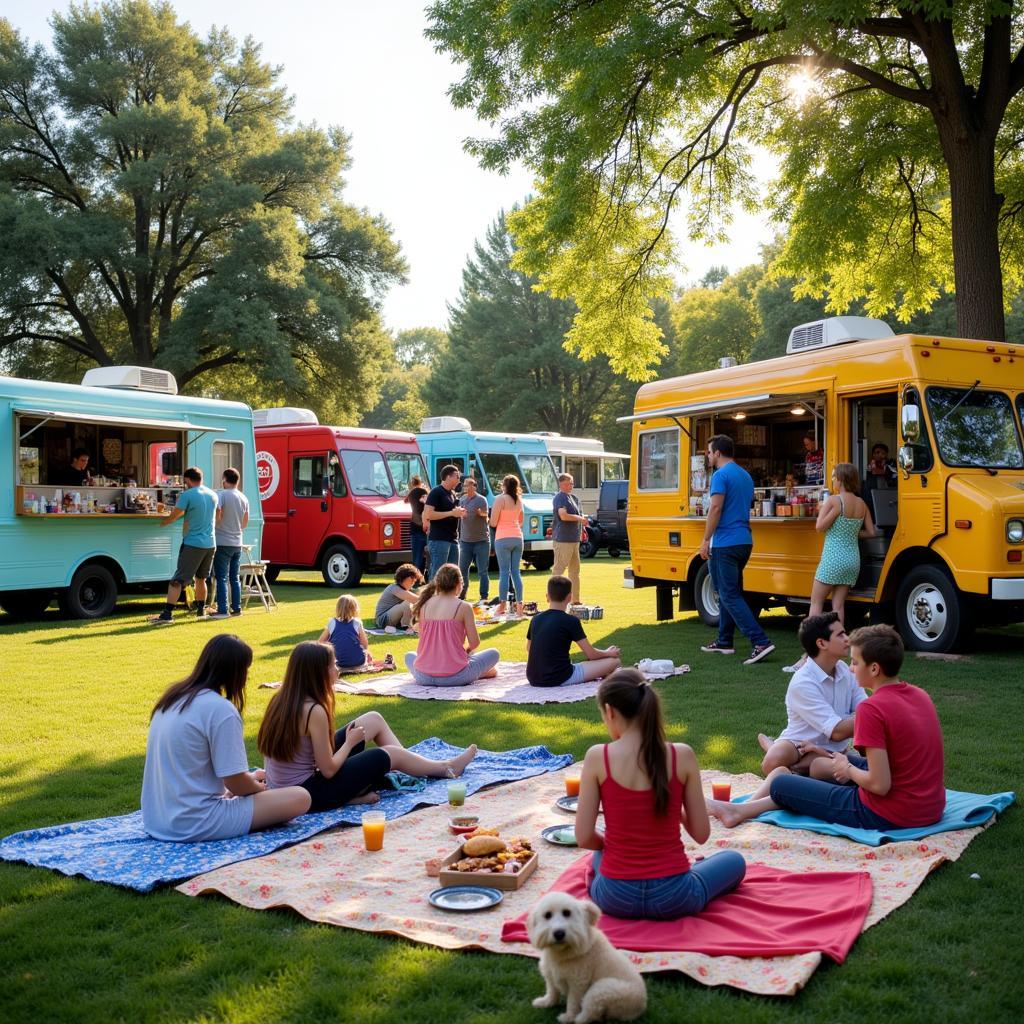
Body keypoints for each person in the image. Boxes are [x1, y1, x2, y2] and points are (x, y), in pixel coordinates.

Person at [709, 625, 946, 832]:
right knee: (819, 767)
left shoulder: (872, 709)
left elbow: (879, 785)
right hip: (930, 807)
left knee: (782, 783)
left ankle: (737, 810)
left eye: (855, 662)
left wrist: (849, 770)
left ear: (874, 669)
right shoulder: (919, 695)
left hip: (888, 813)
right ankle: (739, 810)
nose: (851, 668)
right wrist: (841, 762)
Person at [574, 669, 746, 920]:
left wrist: (613, 846)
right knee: (733, 860)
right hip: (675, 897)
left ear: (610, 711)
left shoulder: (597, 757)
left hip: (615, 898)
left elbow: (583, 837)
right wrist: (677, 809)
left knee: (600, 851)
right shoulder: (682, 755)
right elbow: (701, 834)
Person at [259, 641, 479, 812]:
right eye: (333, 665)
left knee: (372, 719)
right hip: (310, 792)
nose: (337, 669)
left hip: (289, 785)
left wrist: (347, 742)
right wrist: (350, 743)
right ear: (317, 673)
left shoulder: (282, 698)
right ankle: (446, 768)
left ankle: (413, 767)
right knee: (388, 754)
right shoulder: (314, 711)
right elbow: (327, 771)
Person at [141, 634, 311, 841]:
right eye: (245, 670)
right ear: (234, 672)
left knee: (253, 779)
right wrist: (260, 788)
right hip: (195, 822)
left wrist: (247, 780)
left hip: (157, 819)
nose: (247, 677)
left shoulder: (173, 699)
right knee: (300, 797)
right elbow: (235, 783)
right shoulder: (221, 710)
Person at [757, 613, 867, 776]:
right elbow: (837, 732)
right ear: (821, 643)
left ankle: (779, 751)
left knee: (815, 765)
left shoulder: (844, 669)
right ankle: (777, 749)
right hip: (798, 743)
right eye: (840, 634)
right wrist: (880, 714)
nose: (847, 639)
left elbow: (864, 707)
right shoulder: (803, 682)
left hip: (833, 749)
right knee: (772, 762)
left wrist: (871, 714)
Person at [698, 435, 775, 664]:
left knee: (729, 595)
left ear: (718, 453)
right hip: (744, 541)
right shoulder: (745, 475)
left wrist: (705, 539)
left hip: (725, 543)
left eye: (709, 453)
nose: (708, 456)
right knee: (729, 593)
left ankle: (760, 641)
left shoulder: (720, 475)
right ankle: (724, 641)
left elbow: (716, 509)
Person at [403, 563, 500, 686]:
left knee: (409, 656)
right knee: (494, 653)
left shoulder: (424, 604)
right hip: (455, 676)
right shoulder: (464, 607)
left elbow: (423, 639)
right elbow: (474, 643)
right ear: (458, 583)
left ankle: (477, 672)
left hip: (424, 677)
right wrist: (465, 652)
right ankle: (478, 673)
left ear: (437, 583)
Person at [809, 463, 876, 624]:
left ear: (841, 479)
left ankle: (812, 640)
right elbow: (871, 533)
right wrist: (850, 532)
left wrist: (827, 510)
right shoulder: (861, 503)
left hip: (833, 560)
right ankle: (839, 641)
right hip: (852, 560)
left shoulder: (834, 501)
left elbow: (819, 527)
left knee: (816, 602)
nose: (832, 480)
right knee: (838, 606)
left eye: (834, 477)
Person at [151, 466, 218, 624]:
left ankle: (167, 614)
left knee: (177, 580)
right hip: (210, 543)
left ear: (187, 480)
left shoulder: (187, 495)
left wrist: (162, 523)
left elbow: (175, 514)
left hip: (193, 543)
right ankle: (201, 610)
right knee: (201, 578)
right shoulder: (213, 494)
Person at [526, 575, 621, 687]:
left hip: (533, 677)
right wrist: (609, 653)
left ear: (547, 597)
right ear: (569, 597)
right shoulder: (570, 621)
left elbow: (529, 648)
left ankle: (605, 671)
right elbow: (591, 654)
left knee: (604, 657)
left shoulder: (536, 618)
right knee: (615, 661)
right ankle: (607, 671)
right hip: (560, 677)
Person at [209, 467, 249, 620]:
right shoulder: (244, 498)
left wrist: (216, 525)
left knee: (221, 577)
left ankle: (222, 609)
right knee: (234, 577)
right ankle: (237, 608)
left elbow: (218, 516)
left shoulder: (222, 495)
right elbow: (245, 522)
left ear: (224, 480)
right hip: (237, 542)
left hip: (222, 541)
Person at [490, 473, 524, 617]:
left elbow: (493, 522)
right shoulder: (519, 500)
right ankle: (520, 605)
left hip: (503, 538)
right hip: (517, 537)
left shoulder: (500, 499)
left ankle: (502, 605)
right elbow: (521, 521)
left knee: (504, 572)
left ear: (504, 485)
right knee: (516, 572)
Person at [423, 465, 465, 581]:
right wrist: (451, 513)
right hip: (439, 539)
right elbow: (428, 514)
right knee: (438, 573)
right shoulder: (436, 492)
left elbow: (452, 513)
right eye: (457, 476)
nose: (459, 480)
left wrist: (459, 513)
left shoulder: (452, 494)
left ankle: (450, 599)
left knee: (453, 575)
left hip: (453, 539)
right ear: (448, 477)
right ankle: (432, 598)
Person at [551, 472, 586, 604]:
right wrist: (580, 519)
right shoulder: (559, 498)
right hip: (563, 539)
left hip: (574, 539)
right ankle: (554, 600)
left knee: (574, 572)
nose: (571, 485)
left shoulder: (575, 498)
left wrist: (582, 530)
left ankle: (575, 600)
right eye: (568, 483)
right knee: (558, 571)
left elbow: (579, 518)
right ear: (561, 484)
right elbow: (563, 516)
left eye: (572, 482)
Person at [457, 476, 491, 603]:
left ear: (473, 486)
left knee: (482, 571)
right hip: (465, 542)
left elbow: (486, 515)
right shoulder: (462, 500)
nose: (465, 487)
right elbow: (458, 515)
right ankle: (461, 595)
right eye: (464, 485)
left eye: (467, 485)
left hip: (481, 541)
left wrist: (480, 513)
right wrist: (461, 514)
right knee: (462, 569)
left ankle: (484, 597)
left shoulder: (482, 500)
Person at [318, 594, 369, 671]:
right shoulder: (357, 623)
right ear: (354, 609)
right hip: (357, 662)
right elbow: (365, 644)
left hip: (336, 663)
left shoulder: (332, 623)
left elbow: (320, 642)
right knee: (366, 653)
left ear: (338, 608)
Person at [374, 563, 423, 630]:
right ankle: (407, 628)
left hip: (391, 618)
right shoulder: (394, 588)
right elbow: (416, 600)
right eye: (412, 577)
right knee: (408, 603)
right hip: (382, 620)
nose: (414, 580)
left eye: (415, 578)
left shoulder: (405, 589)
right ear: (403, 577)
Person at [406, 475, 428, 573]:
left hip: (415, 527)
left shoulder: (411, 493)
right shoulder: (423, 491)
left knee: (417, 557)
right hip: (425, 526)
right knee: (426, 557)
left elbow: (405, 501)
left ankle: (415, 579)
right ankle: (423, 578)